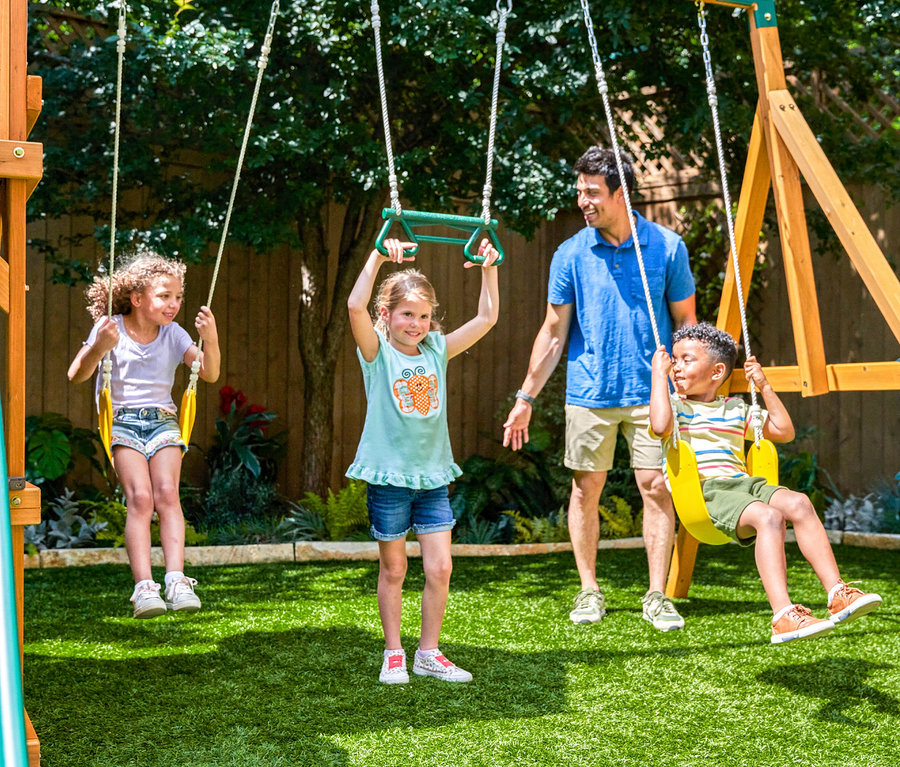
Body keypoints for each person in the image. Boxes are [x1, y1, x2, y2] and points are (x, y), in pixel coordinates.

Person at [503, 146, 696, 630]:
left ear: (621, 193)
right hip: (589, 391)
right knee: (585, 489)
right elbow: (553, 332)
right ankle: (589, 590)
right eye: (580, 192)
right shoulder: (570, 253)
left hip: (650, 391)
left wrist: (686, 387)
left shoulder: (668, 247)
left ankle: (657, 594)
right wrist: (525, 397)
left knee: (655, 487)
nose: (583, 201)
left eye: (592, 193)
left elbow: (687, 322)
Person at [649, 323, 882, 643]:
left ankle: (837, 593)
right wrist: (657, 377)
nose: (676, 365)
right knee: (768, 516)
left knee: (799, 502)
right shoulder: (675, 406)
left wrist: (764, 385)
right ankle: (783, 614)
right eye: (673, 359)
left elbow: (783, 431)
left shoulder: (734, 408)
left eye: (686, 359)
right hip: (706, 491)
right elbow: (660, 426)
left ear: (717, 372)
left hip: (745, 484)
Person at [347, 237, 500, 684]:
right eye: (407, 314)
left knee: (441, 568)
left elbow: (487, 317)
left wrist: (489, 267)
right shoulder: (376, 353)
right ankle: (393, 652)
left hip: (432, 476)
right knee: (394, 568)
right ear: (387, 316)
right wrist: (376, 255)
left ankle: (427, 653)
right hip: (390, 477)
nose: (416, 323)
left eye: (424, 316)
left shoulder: (435, 350)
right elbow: (355, 307)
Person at [68, 252, 220, 619]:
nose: (174, 304)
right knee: (140, 498)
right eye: (165, 296)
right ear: (137, 299)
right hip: (122, 421)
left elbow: (210, 374)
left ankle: (176, 580)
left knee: (167, 493)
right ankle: (144, 588)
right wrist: (100, 347)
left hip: (164, 420)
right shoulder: (110, 328)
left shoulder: (174, 334)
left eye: (178, 297)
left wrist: (210, 339)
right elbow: (77, 374)